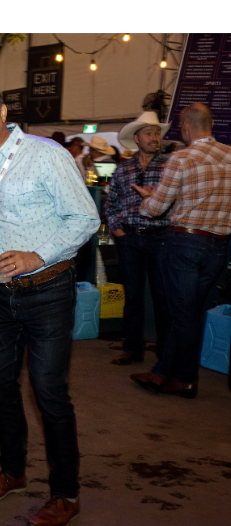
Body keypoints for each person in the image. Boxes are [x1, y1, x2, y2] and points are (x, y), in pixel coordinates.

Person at [0, 81, 100, 526]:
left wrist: (38, 255)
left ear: (2, 112)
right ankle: (13, 471)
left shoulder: (45, 154)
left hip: (47, 290)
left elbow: (86, 218)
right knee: (0, 386)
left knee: (49, 391)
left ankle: (65, 493)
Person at [131, 103, 231, 399]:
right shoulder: (230, 155)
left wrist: (147, 199)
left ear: (186, 126)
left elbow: (156, 209)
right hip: (218, 246)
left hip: (185, 243)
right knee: (187, 312)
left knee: (182, 315)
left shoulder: (181, 158)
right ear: (210, 124)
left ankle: (185, 378)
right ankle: (163, 373)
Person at [104, 112, 172, 367]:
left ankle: (166, 352)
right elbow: (110, 204)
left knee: (162, 297)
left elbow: (180, 202)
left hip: (160, 238)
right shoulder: (123, 169)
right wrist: (119, 232)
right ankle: (132, 348)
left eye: (157, 133)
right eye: (149, 133)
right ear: (136, 138)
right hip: (130, 239)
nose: (154, 137)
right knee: (132, 296)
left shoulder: (170, 167)